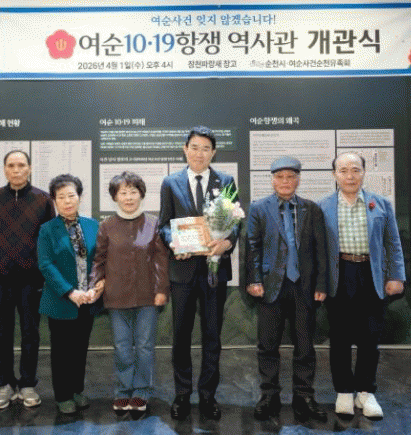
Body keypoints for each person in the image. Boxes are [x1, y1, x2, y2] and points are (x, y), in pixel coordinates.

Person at [158, 126, 241, 420]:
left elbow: (235, 222)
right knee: (180, 335)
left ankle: (208, 395)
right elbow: (164, 224)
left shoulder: (226, 181)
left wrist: (227, 243)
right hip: (182, 271)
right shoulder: (171, 182)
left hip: (214, 270)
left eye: (206, 148)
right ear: (185, 149)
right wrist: (173, 242)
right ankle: (182, 394)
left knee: (212, 335)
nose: (199, 153)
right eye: (194, 147)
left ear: (213, 152)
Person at [319, 152, 405, 419]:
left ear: (364, 173)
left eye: (355, 170)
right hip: (339, 274)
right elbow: (316, 250)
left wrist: (396, 276)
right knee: (340, 337)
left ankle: (366, 393)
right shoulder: (323, 207)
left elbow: (393, 243)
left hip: (372, 274)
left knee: (370, 337)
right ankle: (344, 391)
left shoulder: (380, 204)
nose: (350, 176)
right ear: (334, 175)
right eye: (343, 170)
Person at [245, 156, 328, 421]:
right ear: (272, 180)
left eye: (290, 177)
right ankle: (269, 395)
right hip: (271, 286)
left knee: (305, 345)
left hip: (304, 287)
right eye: (279, 177)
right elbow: (252, 247)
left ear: (298, 180)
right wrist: (254, 280)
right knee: (267, 345)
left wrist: (321, 284)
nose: (285, 181)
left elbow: (321, 249)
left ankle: (304, 396)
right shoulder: (259, 208)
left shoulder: (311, 209)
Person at [0, 150, 55, 410]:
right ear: (4, 169)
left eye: (21, 165)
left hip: (30, 279)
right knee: (2, 334)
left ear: (29, 168)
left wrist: (45, 275)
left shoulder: (43, 199)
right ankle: (5, 384)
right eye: (11, 165)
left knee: (30, 333)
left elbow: (49, 239)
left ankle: (27, 384)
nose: (16, 170)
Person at [91, 171, 169, 417]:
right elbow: (99, 260)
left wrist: (161, 290)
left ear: (141, 195)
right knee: (122, 347)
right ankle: (123, 390)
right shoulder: (106, 226)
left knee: (144, 347)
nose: (128, 197)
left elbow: (161, 261)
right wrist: (96, 283)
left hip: (148, 297)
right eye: (123, 192)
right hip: (116, 297)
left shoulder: (153, 224)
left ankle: (142, 391)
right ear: (115, 197)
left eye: (133, 192)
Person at [37, 174, 103, 414]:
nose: (67, 201)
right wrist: (69, 292)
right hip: (61, 300)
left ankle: (77, 389)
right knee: (62, 351)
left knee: (80, 348)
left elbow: (100, 259)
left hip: (88, 299)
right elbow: (46, 264)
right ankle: (63, 395)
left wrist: (97, 285)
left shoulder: (93, 225)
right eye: (61, 197)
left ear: (79, 197)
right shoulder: (47, 229)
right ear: (54, 200)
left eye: (71, 195)